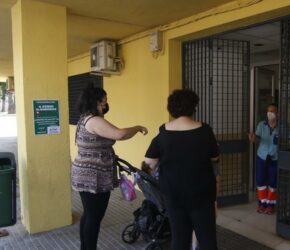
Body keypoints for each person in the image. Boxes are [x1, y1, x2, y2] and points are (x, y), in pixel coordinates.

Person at [71, 86, 148, 250]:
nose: (105, 106)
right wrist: (138, 127)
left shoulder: (85, 118)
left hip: (86, 173)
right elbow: (120, 134)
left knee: (89, 214)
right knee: (94, 216)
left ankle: (85, 247)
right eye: (102, 102)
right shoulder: (94, 120)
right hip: (93, 175)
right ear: (93, 102)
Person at [144, 89, 219, 250]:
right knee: (207, 240)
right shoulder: (205, 130)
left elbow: (149, 161)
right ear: (194, 107)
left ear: (171, 109)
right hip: (202, 194)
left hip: (173, 193)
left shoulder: (163, 131)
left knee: (179, 240)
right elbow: (215, 158)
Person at [248, 103, 278, 214]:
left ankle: (270, 205)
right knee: (261, 181)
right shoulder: (261, 125)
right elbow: (257, 138)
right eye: (268, 111)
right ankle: (262, 204)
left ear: (277, 113)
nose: (270, 113)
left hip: (274, 159)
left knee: (272, 182)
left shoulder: (281, 127)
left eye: (273, 111)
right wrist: (253, 138)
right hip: (262, 157)